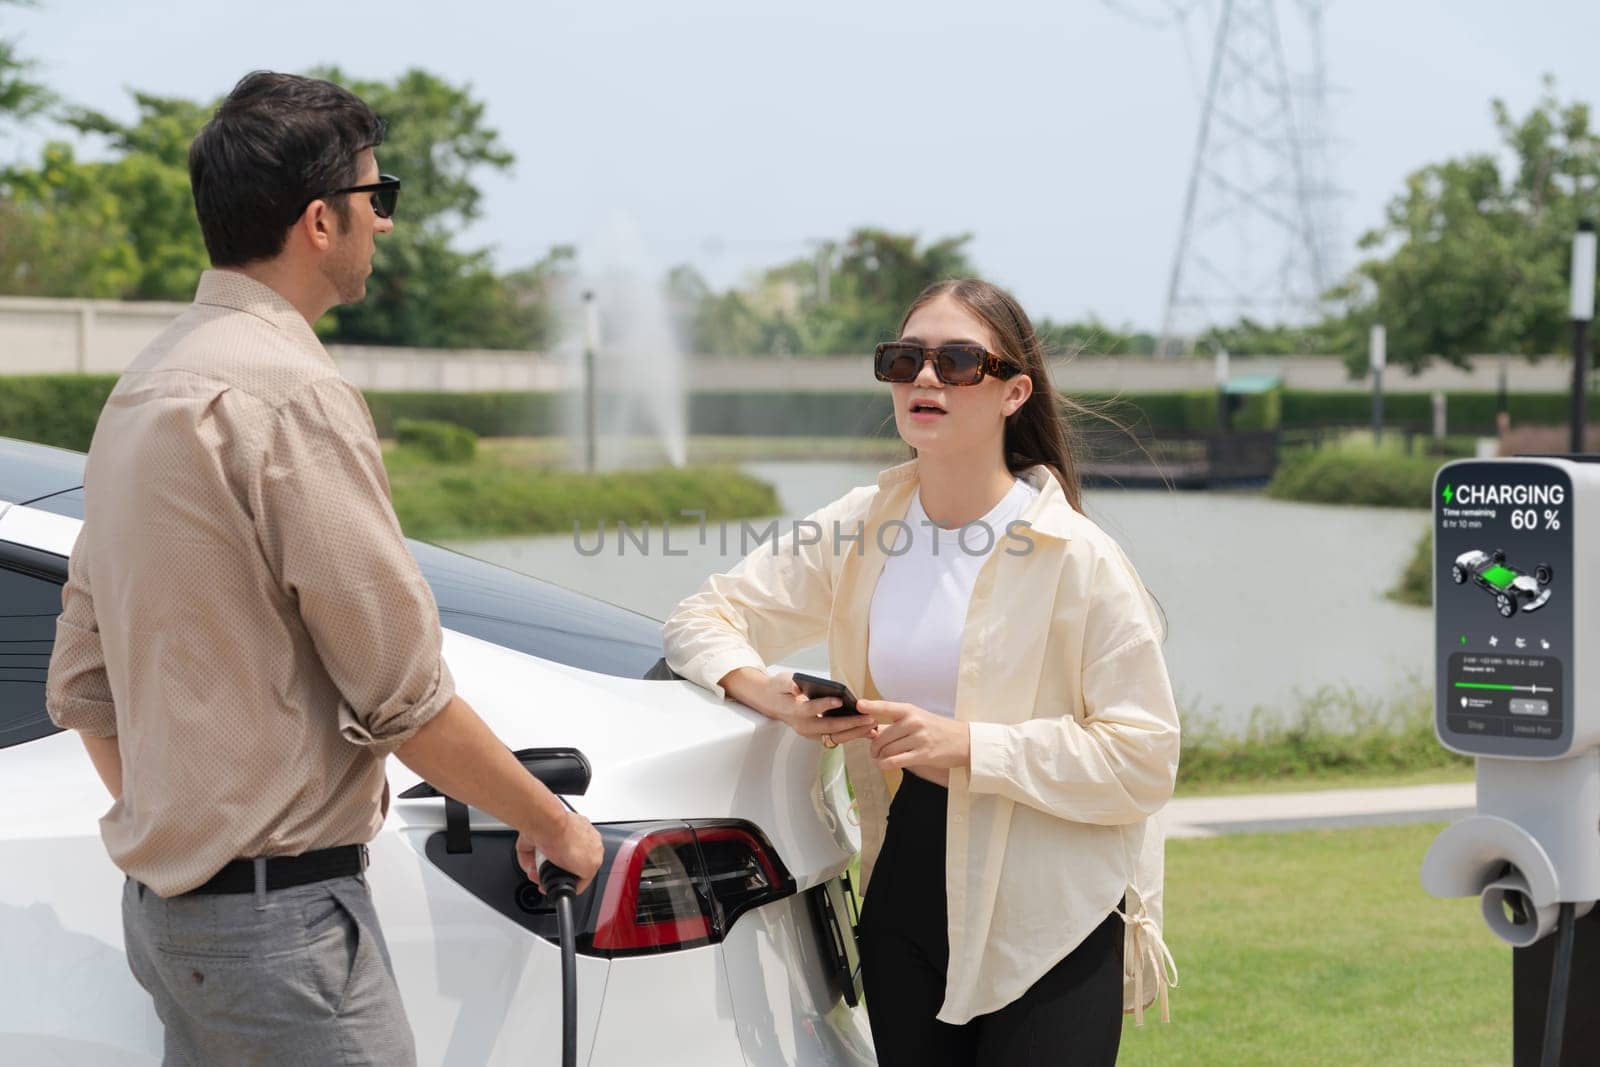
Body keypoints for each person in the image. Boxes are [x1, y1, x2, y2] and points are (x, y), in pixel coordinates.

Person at [43, 70, 602, 1067]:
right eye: (376, 199)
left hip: (175, 924)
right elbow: (402, 697)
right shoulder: (289, 394)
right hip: (281, 931)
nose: (384, 224)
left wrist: (189, 842)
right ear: (318, 220)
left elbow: (83, 687)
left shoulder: (143, 389)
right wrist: (553, 822)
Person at [663, 278, 1180, 1066]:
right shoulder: (864, 524)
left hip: (1052, 915)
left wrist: (970, 745)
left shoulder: (1077, 557)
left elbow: (1144, 757)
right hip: (905, 888)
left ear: (1014, 392)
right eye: (904, 358)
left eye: (958, 360)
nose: (925, 377)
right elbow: (702, 617)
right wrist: (766, 689)